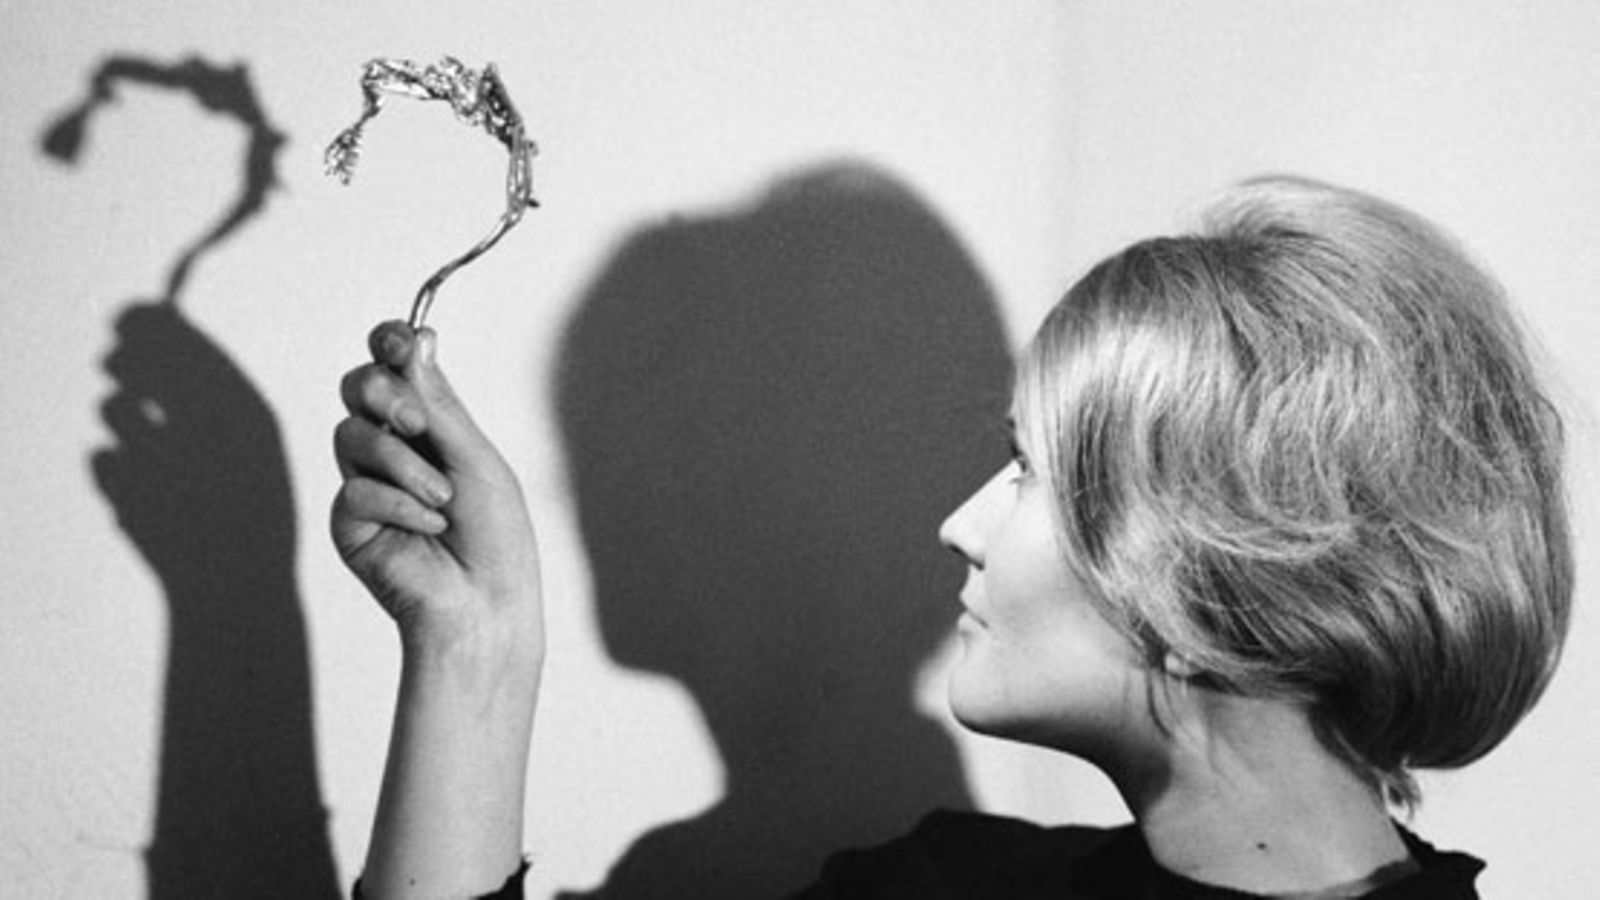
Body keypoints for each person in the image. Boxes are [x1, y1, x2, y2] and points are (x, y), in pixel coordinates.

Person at [332, 176, 1571, 898]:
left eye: (1029, 473)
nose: (959, 525)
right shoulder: (942, 891)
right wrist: (473, 648)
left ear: (1215, 563)